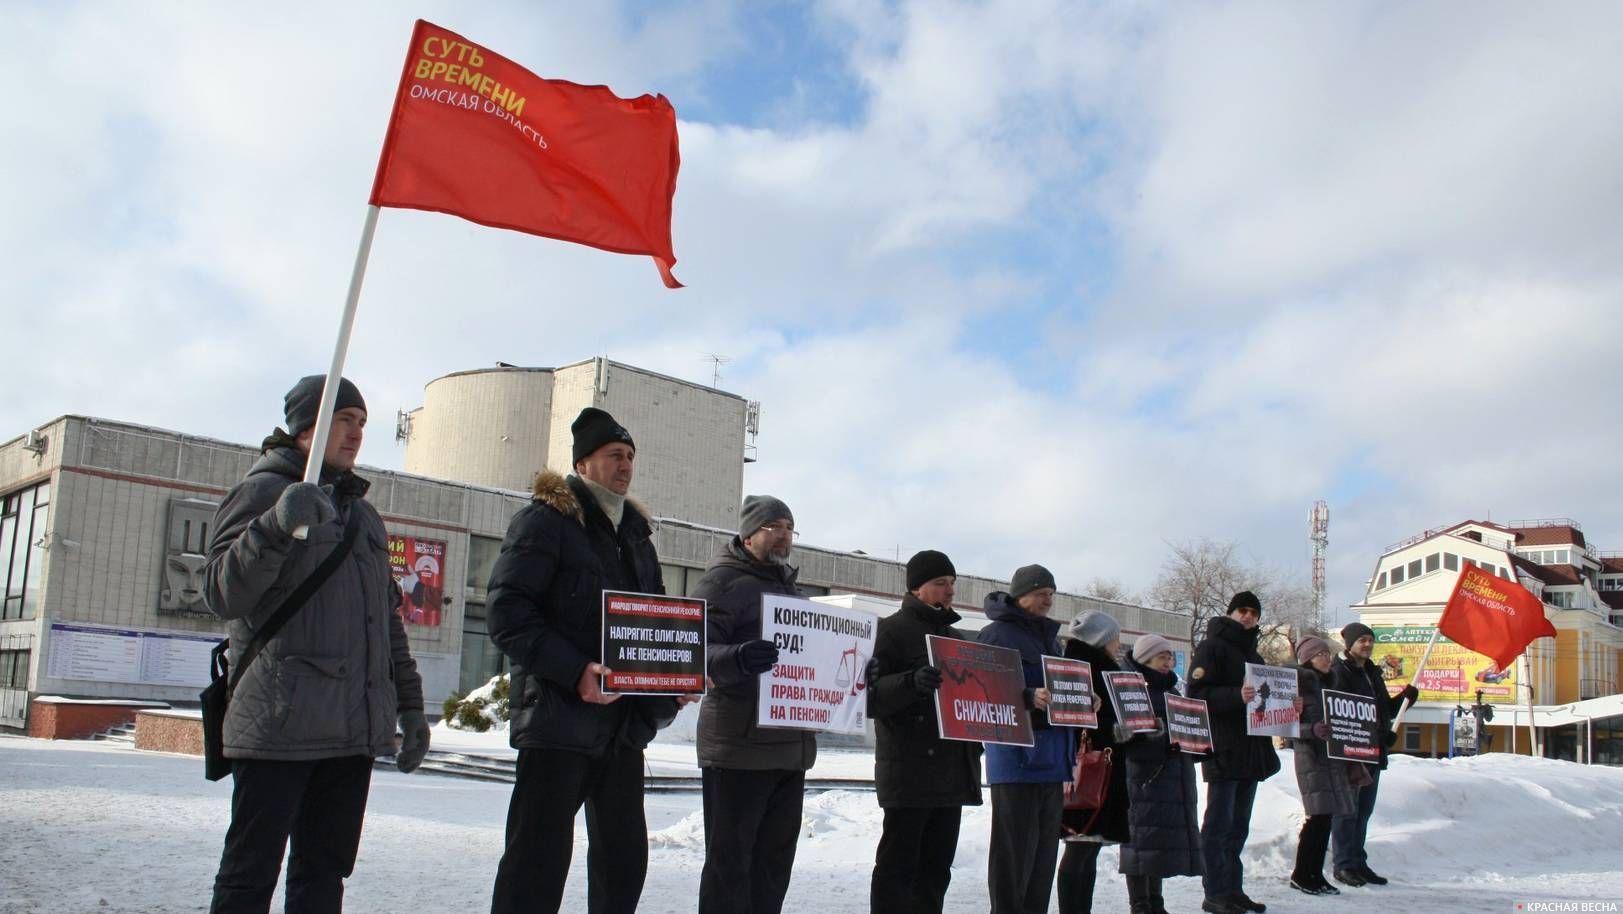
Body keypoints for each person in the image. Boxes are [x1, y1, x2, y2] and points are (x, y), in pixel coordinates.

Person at [204, 374, 428, 914]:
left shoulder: (364, 517)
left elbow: (385, 622)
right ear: (309, 426)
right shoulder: (262, 491)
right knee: (249, 875)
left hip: (348, 735)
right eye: (344, 420)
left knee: (323, 878)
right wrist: (276, 526)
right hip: (281, 725)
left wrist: (411, 705)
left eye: (361, 423)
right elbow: (219, 592)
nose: (355, 434)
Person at [486, 407, 693, 914]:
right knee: (535, 866)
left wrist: (673, 681)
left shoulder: (638, 537)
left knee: (624, 863)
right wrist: (574, 670)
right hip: (558, 723)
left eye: (629, 456)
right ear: (583, 464)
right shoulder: (546, 521)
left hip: (622, 729)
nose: (625, 466)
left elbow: (658, 624)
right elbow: (507, 611)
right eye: (612, 455)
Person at [693, 496, 814, 914]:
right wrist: (739, 657)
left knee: (773, 867)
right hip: (738, 748)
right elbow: (693, 649)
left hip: (788, 748)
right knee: (730, 867)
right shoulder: (722, 581)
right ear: (749, 533)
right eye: (774, 526)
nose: (784, 535)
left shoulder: (793, 591)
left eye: (789, 527)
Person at [866, 550, 983, 914]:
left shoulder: (955, 637)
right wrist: (910, 683)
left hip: (950, 773)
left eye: (952, 583)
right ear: (917, 588)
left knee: (935, 871)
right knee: (897, 869)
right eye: (940, 583)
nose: (949, 591)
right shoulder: (890, 631)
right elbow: (867, 698)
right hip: (909, 772)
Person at [978, 565, 1074, 914]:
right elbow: (984, 693)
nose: (1048, 600)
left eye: (1051, 593)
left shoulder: (1051, 639)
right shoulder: (998, 634)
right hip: (1015, 761)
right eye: (1041, 593)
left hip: (1050, 761)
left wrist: (1083, 700)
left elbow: (1061, 688)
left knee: (1043, 856)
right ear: (1021, 595)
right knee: (1013, 854)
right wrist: (1026, 696)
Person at [1186, 591, 1283, 914]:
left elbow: (1267, 700)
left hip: (1251, 751)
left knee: (1239, 826)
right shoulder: (1212, 647)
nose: (1248, 617)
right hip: (1224, 747)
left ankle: (1233, 889)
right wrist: (1235, 696)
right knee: (1218, 824)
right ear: (1230, 613)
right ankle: (1214, 891)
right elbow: (1197, 693)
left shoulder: (1254, 656)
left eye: (1254, 613)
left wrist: (1288, 707)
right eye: (1242, 610)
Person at [1328, 622, 1417, 888]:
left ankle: (1357, 861)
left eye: (1370, 640)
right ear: (1349, 643)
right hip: (1350, 753)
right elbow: (1343, 713)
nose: (1367, 644)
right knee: (1347, 811)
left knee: (1363, 811)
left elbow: (1383, 710)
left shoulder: (1372, 672)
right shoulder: (1339, 672)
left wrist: (1405, 699)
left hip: (1372, 753)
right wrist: (1375, 735)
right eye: (1362, 640)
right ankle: (1343, 864)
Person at [1119, 633, 1202, 914]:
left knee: (1159, 845)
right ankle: (1140, 904)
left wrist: (1200, 742)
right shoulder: (1130, 689)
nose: (1167, 662)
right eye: (1161, 656)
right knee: (1141, 842)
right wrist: (1155, 738)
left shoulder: (1174, 692)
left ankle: (1156, 902)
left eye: (1169, 656)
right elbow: (1128, 742)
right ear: (1145, 659)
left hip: (1171, 777)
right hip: (1144, 778)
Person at [1057, 611, 1131, 914]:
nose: (1118, 643)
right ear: (1101, 639)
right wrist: (1115, 727)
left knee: (1088, 851)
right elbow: (1079, 721)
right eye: (1114, 637)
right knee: (1080, 848)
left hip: (1102, 769)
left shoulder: (1103, 669)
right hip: (1089, 771)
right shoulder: (1086, 670)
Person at [1288, 636, 1362, 897]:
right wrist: (1312, 730)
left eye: (1328, 654)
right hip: (1311, 759)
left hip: (1331, 760)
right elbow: (1285, 724)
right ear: (1308, 658)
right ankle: (1301, 874)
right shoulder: (1296, 686)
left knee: (1326, 818)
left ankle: (1315, 874)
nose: (1326, 658)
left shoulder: (1328, 686)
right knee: (1317, 819)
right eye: (1320, 654)